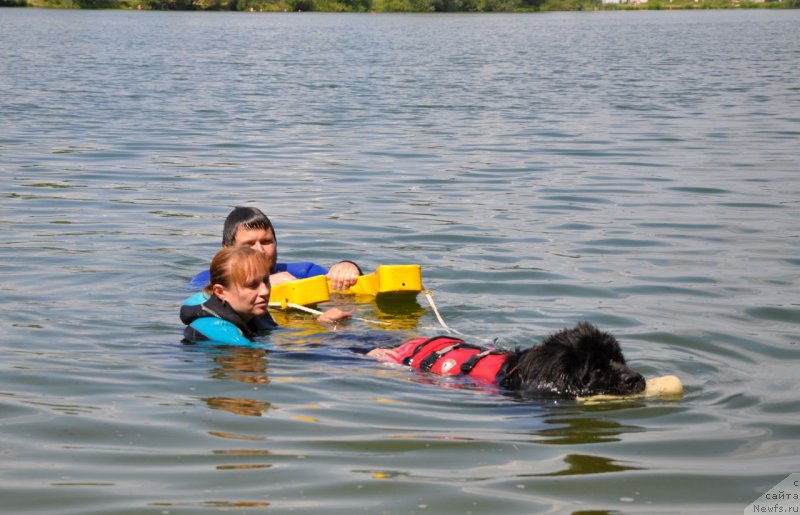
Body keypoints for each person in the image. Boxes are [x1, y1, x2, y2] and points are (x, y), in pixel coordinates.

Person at [181, 246, 351, 345]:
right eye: (252, 285)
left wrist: (321, 323)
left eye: (265, 281)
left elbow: (283, 336)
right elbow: (281, 357)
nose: (264, 291)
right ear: (220, 292)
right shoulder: (217, 329)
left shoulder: (251, 312)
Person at [188, 207, 362, 291]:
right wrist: (266, 284)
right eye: (248, 245)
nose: (260, 250)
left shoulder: (304, 272)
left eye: (266, 242)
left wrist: (348, 267)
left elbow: (340, 283)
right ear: (227, 250)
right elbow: (204, 298)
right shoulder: (208, 279)